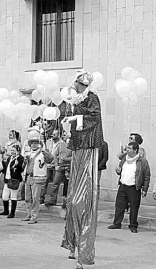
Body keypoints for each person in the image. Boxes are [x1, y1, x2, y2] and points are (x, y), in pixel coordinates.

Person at [61, 69, 104, 269]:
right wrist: (68, 129)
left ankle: (84, 252)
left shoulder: (92, 98)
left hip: (88, 149)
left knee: (82, 201)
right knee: (72, 201)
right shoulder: (75, 102)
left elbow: (94, 119)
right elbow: (75, 123)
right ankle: (72, 244)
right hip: (78, 149)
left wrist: (75, 121)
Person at [107, 142, 150, 233]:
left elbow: (147, 176)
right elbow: (120, 170)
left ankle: (133, 225)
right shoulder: (124, 159)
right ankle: (117, 223)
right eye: (127, 148)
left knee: (134, 207)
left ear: (135, 150)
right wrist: (118, 171)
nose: (127, 150)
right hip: (123, 185)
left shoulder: (142, 161)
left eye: (130, 148)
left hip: (134, 187)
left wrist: (145, 189)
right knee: (119, 206)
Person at [22, 130, 53, 224]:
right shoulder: (28, 154)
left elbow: (50, 159)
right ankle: (29, 214)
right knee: (27, 198)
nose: (34, 145)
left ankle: (34, 216)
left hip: (37, 177)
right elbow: (23, 166)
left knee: (35, 198)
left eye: (36, 143)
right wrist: (25, 162)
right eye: (32, 143)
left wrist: (45, 151)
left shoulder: (42, 153)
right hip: (28, 176)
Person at [44, 129, 71, 207]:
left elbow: (75, 157)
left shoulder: (73, 145)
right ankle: (52, 200)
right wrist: (56, 165)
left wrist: (66, 159)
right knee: (55, 183)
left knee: (67, 185)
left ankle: (66, 202)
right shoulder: (60, 144)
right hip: (60, 167)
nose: (63, 136)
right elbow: (55, 155)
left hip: (68, 167)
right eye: (63, 135)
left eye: (65, 135)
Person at [0, 145, 24, 218]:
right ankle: (6, 210)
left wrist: (18, 165)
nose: (12, 152)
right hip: (7, 179)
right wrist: (2, 171)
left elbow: (21, 168)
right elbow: (6, 167)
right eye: (11, 150)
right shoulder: (10, 158)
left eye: (14, 150)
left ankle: (12, 213)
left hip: (14, 179)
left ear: (18, 151)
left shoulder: (20, 158)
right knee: (5, 196)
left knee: (13, 196)